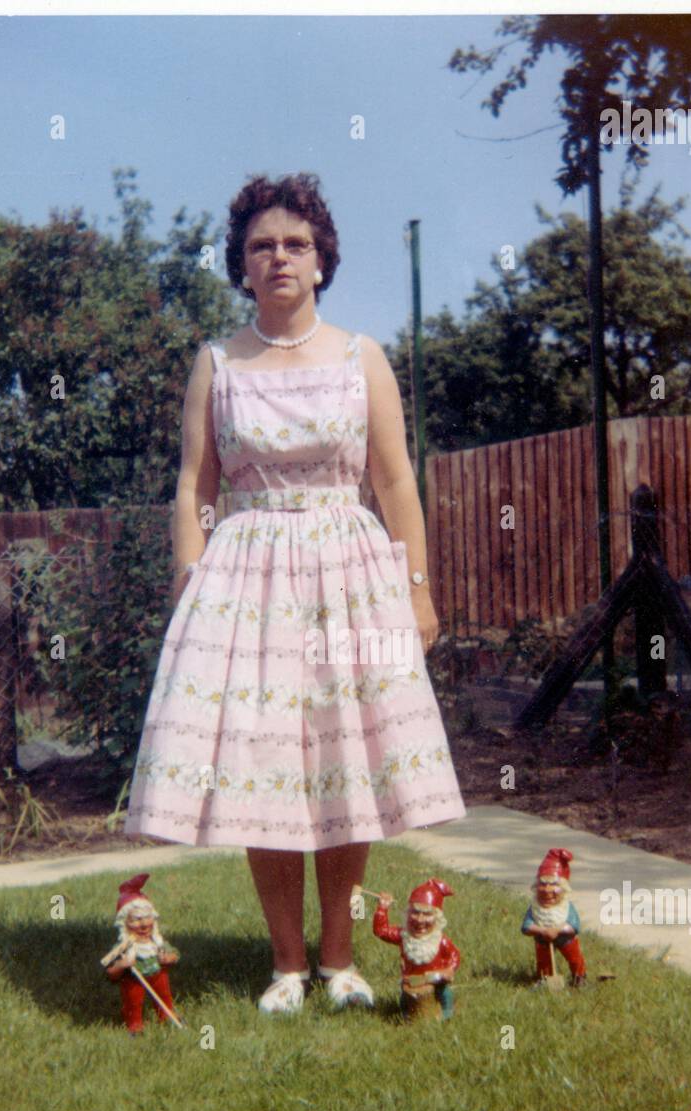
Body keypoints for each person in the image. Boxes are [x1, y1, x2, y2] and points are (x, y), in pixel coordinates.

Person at [124, 172, 466, 1015]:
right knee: (266, 768)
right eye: (260, 247)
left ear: (321, 262)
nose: (278, 258)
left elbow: (394, 482)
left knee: (346, 762)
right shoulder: (216, 363)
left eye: (295, 245)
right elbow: (192, 485)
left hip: (349, 573)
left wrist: (416, 592)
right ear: (241, 266)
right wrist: (187, 581)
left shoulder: (362, 358)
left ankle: (341, 962)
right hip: (248, 578)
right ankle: (285, 964)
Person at [103, 874, 181, 1034]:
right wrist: (121, 965)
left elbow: (175, 955)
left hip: (158, 975)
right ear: (124, 922)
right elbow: (109, 970)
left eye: (147, 918)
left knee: (164, 996)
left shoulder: (157, 941)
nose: (144, 924)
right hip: (134, 979)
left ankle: (166, 1016)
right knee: (133, 1001)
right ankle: (135, 1024)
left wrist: (169, 958)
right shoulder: (122, 946)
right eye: (136, 919)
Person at [371, 880, 460, 1019]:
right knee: (405, 998)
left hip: (435, 980)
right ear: (408, 914)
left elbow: (454, 956)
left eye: (427, 915)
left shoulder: (440, 940)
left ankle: (447, 1012)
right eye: (415, 913)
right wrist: (382, 909)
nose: (420, 920)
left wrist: (449, 970)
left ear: (437, 918)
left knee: (445, 993)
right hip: (411, 980)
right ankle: (406, 1013)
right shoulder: (404, 936)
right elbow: (381, 931)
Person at [521, 848, 587, 987]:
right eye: (543, 884)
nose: (547, 890)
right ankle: (544, 979)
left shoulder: (567, 907)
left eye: (554, 885)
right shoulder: (535, 908)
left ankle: (579, 977)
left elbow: (574, 926)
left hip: (565, 939)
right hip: (542, 939)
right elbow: (526, 927)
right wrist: (542, 931)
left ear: (563, 888)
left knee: (575, 958)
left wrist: (557, 930)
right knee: (544, 961)